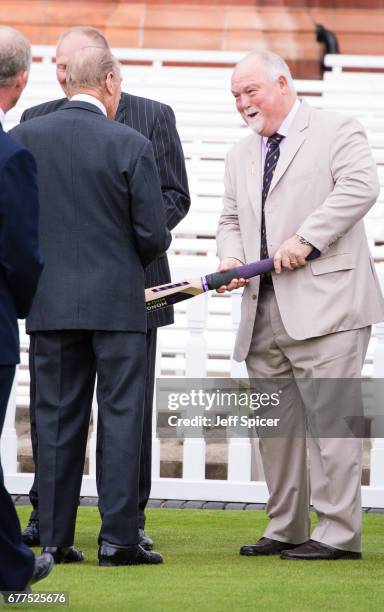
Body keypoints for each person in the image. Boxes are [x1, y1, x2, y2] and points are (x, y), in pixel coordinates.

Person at [20, 26, 190, 552]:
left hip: (49, 301)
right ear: (110, 81)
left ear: (69, 79)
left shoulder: (24, 137)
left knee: (53, 418)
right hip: (120, 303)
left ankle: (51, 540)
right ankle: (118, 540)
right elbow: (152, 234)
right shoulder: (130, 142)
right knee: (120, 418)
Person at [216, 50, 384, 560]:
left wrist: (307, 239)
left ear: (284, 84)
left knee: (332, 429)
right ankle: (286, 527)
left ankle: (337, 535)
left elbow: (362, 188)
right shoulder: (238, 154)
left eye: (251, 92)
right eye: (236, 97)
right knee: (276, 430)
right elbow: (229, 218)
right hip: (262, 310)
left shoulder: (336, 129)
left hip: (329, 309)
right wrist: (230, 256)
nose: (243, 104)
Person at [0, 26, 53, 594]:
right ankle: (13, 567)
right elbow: (20, 254)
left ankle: (13, 565)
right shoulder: (11, 155)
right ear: (19, 83)